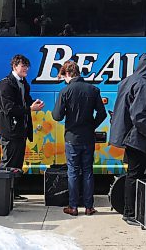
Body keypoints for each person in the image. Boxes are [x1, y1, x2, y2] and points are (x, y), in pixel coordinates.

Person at [109, 53, 146, 226]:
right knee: (135, 174)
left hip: (127, 134)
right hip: (136, 137)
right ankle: (130, 213)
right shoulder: (143, 85)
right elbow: (139, 116)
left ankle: (132, 210)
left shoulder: (128, 80)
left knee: (133, 173)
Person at [52, 61, 107, 216]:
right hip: (88, 137)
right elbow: (102, 114)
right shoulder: (93, 89)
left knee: (73, 172)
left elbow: (57, 116)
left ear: (68, 74)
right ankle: (89, 207)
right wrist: (91, 126)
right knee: (88, 171)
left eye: (63, 76)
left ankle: (73, 207)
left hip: (71, 138)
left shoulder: (65, 91)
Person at [0, 54, 44, 202]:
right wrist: (30, 108)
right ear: (15, 66)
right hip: (10, 131)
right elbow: (8, 108)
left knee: (17, 164)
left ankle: (13, 193)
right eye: (23, 66)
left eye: (27, 66)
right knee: (8, 163)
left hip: (20, 131)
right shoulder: (6, 84)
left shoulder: (23, 83)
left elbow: (25, 101)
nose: (26, 69)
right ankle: (0, 194)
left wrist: (34, 103)